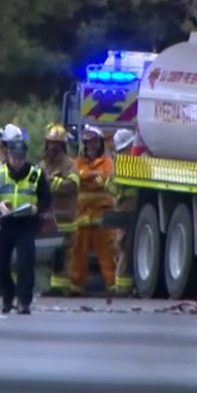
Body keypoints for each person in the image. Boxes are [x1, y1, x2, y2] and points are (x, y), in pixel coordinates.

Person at [0, 138, 52, 315]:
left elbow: (46, 198)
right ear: (9, 157)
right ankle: (8, 297)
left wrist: (37, 207)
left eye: (20, 158)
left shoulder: (35, 173)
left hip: (26, 223)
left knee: (25, 263)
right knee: (0, 263)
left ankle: (24, 301)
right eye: (14, 158)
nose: (18, 162)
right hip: (4, 222)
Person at [70, 125, 117, 296]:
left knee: (108, 253)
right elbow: (77, 178)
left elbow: (103, 179)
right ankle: (76, 287)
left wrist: (86, 176)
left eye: (94, 142)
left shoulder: (107, 162)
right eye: (88, 142)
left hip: (102, 215)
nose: (91, 145)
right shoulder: (77, 162)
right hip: (82, 216)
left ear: (100, 143)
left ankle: (112, 286)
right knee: (78, 253)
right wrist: (91, 176)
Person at [40, 123, 80, 297]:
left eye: (56, 144)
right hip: (48, 218)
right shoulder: (43, 163)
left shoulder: (69, 164)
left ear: (63, 145)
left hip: (66, 218)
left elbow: (73, 185)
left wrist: (53, 184)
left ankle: (63, 287)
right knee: (51, 255)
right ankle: (55, 286)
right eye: (50, 143)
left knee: (64, 253)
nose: (52, 147)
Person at [107, 128, 139, 296]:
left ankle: (124, 286)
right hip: (125, 209)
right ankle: (122, 288)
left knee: (125, 247)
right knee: (124, 246)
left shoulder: (123, 162)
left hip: (126, 209)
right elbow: (111, 187)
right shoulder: (122, 163)